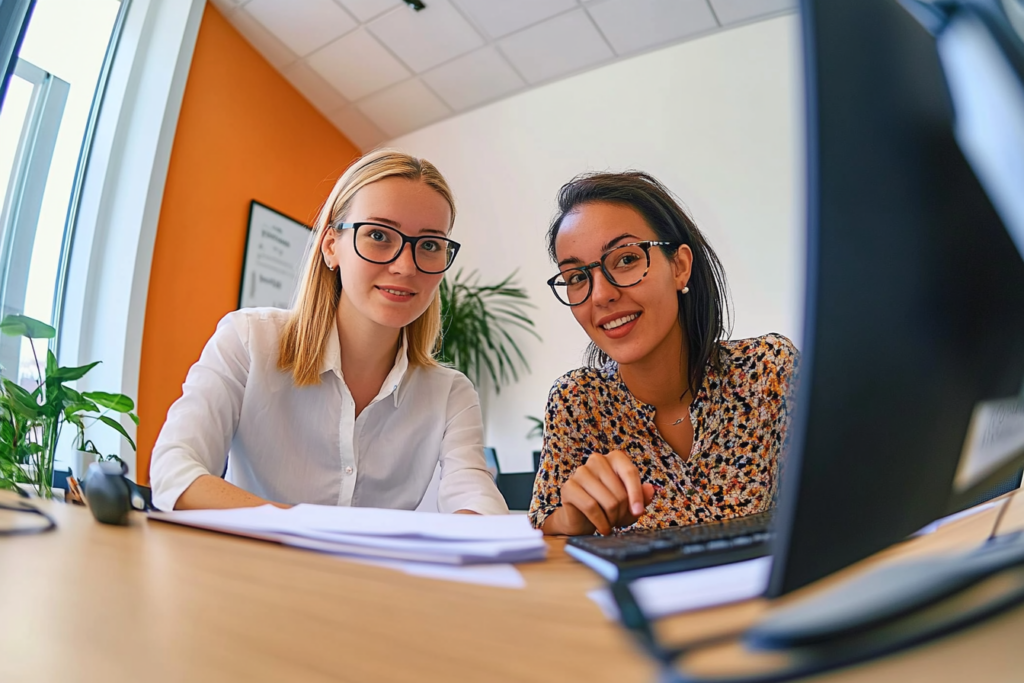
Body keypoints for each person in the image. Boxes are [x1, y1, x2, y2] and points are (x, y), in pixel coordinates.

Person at [150, 150, 507, 515]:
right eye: (379, 235)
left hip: (375, 574)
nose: (404, 266)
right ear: (331, 246)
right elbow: (173, 472)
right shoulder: (247, 340)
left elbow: (477, 500)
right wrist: (302, 526)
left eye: (430, 245)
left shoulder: (450, 393)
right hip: (254, 567)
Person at [530, 171, 797, 535]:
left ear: (679, 267)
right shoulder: (578, 402)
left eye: (625, 259)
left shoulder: (768, 371)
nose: (600, 295)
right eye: (576, 277)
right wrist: (575, 517)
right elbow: (548, 521)